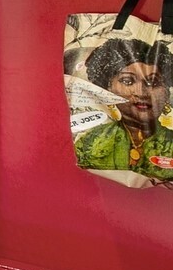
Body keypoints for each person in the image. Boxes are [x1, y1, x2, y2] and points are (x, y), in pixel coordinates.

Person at [74, 38, 173, 181]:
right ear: (108, 88)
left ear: (167, 92)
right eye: (128, 81)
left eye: (153, 82)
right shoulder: (90, 142)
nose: (141, 92)